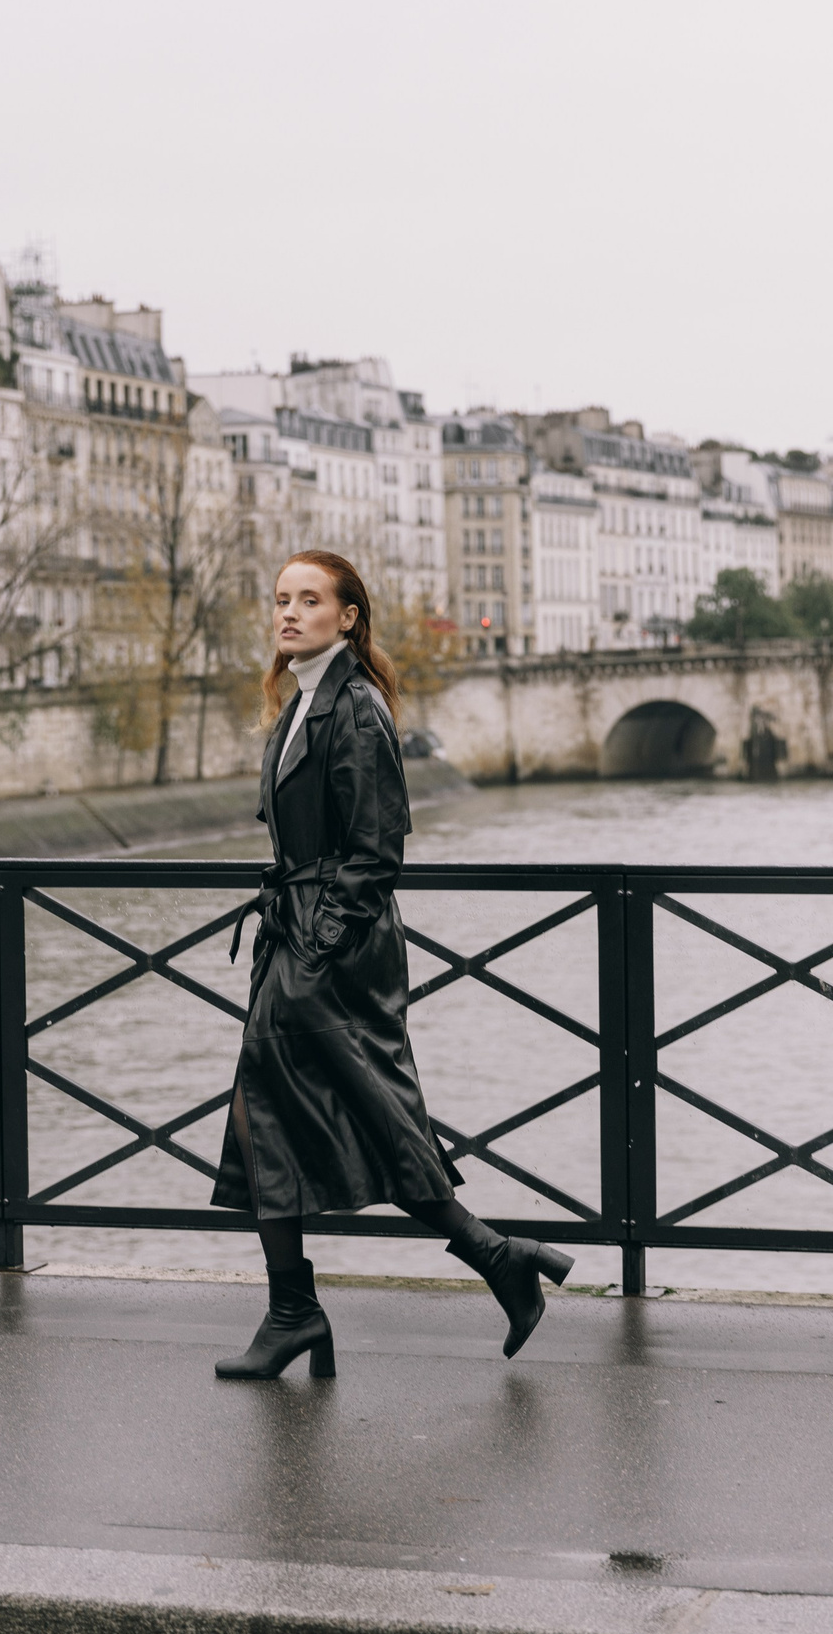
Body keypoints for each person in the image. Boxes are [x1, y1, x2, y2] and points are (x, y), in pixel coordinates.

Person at [213, 550, 572, 1379]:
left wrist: (314, 951)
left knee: (364, 1116)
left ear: (349, 616)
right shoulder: (303, 702)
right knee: (272, 1116)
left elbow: (376, 852)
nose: (289, 613)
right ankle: (300, 1308)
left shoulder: (356, 708)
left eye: (310, 599)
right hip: (302, 935)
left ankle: (478, 1262)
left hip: (335, 947)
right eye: (281, 600)